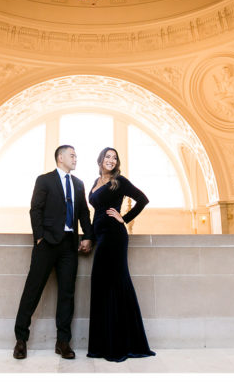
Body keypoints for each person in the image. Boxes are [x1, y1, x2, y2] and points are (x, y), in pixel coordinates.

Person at [13, 144, 93, 360]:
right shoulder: (44, 180)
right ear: (60, 158)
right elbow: (35, 209)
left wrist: (88, 235)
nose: (76, 158)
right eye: (72, 155)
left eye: (76, 155)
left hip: (69, 246)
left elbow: (84, 212)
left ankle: (63, 342)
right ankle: (21, 340)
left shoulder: (78, 184)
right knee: (33, 290)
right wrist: (39, 237)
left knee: (67, 294)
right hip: (46, 243)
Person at [86, 147, 155, 362]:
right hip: (101, 236)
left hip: (114, 237)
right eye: (108, 156)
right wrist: (89, 236)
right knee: (100, 284)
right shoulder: (95, 182)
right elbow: (95, 212)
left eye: (114, 158)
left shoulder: (120, 181)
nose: (111, 160)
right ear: (100, 160)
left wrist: (123, 218)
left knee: (115, 285)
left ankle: (120, 345)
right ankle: (101, 345)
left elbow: (143, 199)